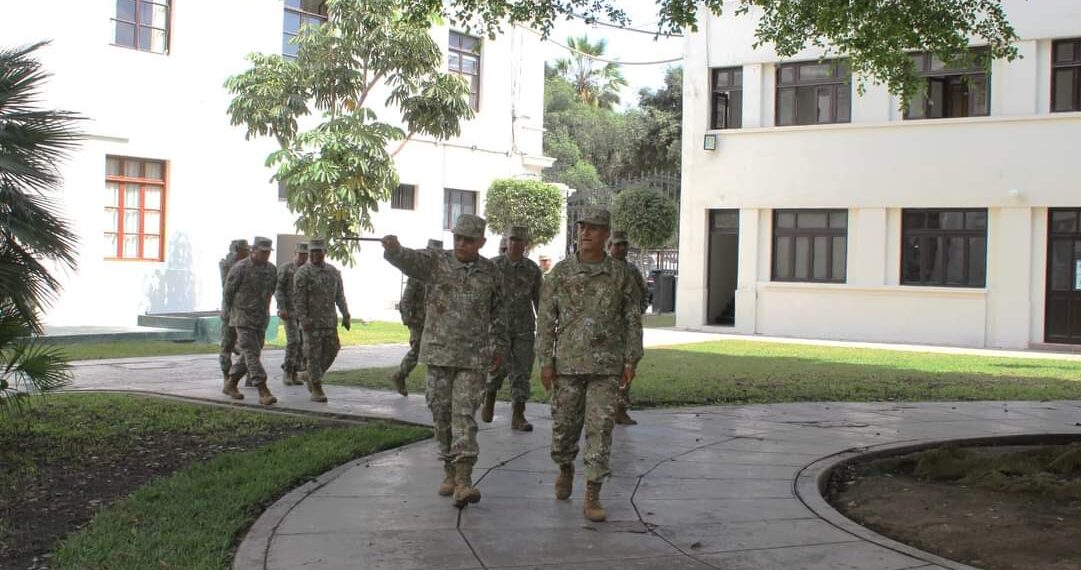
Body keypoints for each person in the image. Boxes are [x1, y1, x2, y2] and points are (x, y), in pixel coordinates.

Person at [381, 214, 506, 509]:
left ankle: (464, 480)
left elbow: (500, 312)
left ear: (481, 242)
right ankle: (449, 471)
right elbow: (409, 260)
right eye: (457, 238)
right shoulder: (437, 262)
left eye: (468, 240)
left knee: (463, 415)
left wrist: (499, 345)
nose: (461, 243)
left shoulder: (490, 272)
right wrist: (393, 248)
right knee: (440, 414)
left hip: (472, 357)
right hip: (438, 353)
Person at [536, 207, 643, 522]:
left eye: (594, 229)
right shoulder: (561, 273)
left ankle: (593, 493)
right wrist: (545, 361)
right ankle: (565, 466)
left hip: (606, 368)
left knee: (600, 429)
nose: (586, 233)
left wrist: (631, 358)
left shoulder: (620, 275)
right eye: (582, 227)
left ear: (606, 234)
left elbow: (632, 320)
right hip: (568, 366)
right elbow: (546, 321)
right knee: (564, 429)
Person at [483, 226, 542, 432]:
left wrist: (544, 323)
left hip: (524, 329)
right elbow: (484, 298)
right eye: (512, 239)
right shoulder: (493, 266)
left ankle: (518, 415)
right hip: (498, 329)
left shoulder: (532, 269)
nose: (516, 243)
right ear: (506, 241)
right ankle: (489, 397)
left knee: (522, 372)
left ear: (526, 244)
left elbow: (539, 299)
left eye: (520, 240)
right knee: (497, 368)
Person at [221, 236, 278, 406]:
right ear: (253, 251)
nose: (265, 255)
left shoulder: (271, 270)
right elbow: (228, 293)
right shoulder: (240, 268)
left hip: (260, 319)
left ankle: (231, 383)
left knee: (250, 354)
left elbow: (271, 290)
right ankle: (263, 389)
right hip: (242, 317)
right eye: (262, 252)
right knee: (251, 353)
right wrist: (231, 313)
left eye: (268, 253)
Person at [293, 239, 350, 403]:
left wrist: (346, 314)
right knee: (313, 355)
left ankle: (310, 375)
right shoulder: (303, 273)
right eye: (312, 252)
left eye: (318, 251)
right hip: (311, 323)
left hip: (329, 321)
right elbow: (298, 299)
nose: (315, 255)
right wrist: (303, 319)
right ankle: (316, 387)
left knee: (333, 350)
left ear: (324, 252)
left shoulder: (333, 272)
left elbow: (339, 296)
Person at [390, 239, 443, 396]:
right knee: (418, 349)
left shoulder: (441, 273)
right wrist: (407, 319)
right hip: (419, 320)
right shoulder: (417, 275)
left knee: (435, 353)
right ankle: (400, 375)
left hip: (436, 321)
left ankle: (435, 389)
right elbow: (406, 299)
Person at [606, 230, 649, 426]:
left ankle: (621, 409)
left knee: (628, 366)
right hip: (608, 331)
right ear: (609, 246)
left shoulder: (632, 271)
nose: (621, 248)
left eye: (624, 244)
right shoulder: (604, 269)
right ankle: (606, 409)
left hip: (628, 330)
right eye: (617, 244)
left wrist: (637, 311)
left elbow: (644, 293)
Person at [276, 241, 309, 386]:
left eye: (305, 255)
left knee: (302, 342)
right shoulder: (286, 268)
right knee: (293, 340)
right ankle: (287, 372)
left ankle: (295, 371)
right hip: (288, 312)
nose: (303, 257)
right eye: (300, 254)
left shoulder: (308, 270)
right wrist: (281, 307)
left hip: (303, 313)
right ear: (295, 254)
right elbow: (279, 289)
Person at [219, 239, 250, 387]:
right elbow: (227, 288)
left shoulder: (249, 265)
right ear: (237, 250)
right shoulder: (227, 265)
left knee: (250, 346)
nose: (248, 253)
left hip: (246, 312)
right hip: (230, 311)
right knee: (226, 346)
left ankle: (249, 374)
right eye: (245, 250)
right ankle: (227, 377)